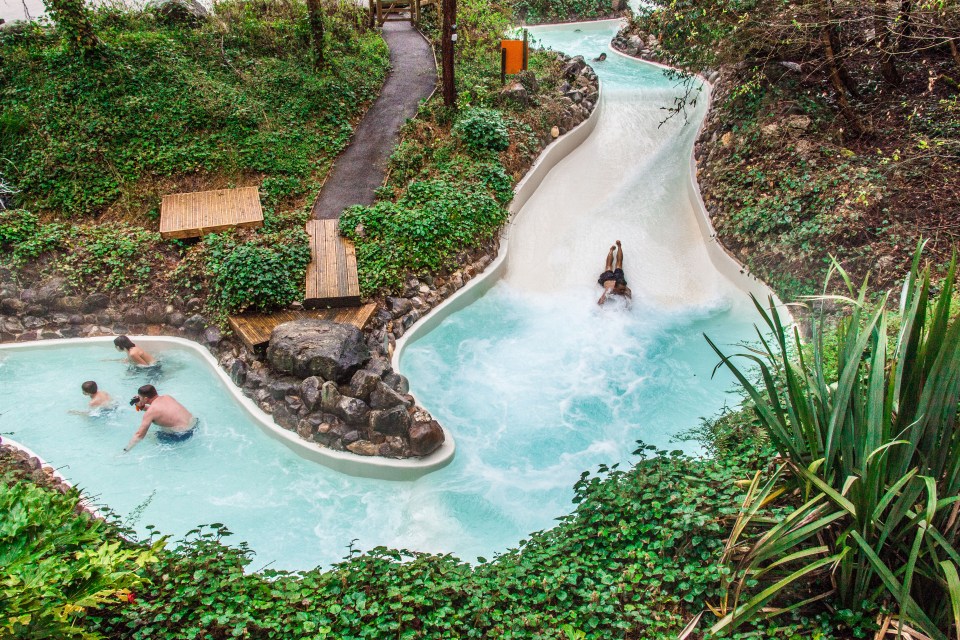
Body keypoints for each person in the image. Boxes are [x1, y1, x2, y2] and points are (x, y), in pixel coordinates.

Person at [123, 384, 196, 451]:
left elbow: (139, 435)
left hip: (183, 435)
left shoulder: (150, 412)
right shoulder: (167, 397)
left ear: (145, 399)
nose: (139, 399)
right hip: (194, 425)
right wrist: (141, 406)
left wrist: (126, 450)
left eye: (140, 397)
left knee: (148, 436)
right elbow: (160, 412)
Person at [597, 240, 632, 305]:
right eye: (621, 290)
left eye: (623, 289)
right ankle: (611, 250)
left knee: (619, 264)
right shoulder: (609, 290)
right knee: (608, 266)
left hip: (618, 278)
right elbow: (600, 302)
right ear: (615, 288)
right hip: (607, 279)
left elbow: (629, 305)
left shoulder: (627, 291)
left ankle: (619, 246)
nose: (622, 291)